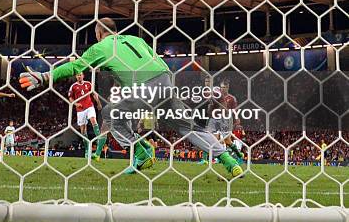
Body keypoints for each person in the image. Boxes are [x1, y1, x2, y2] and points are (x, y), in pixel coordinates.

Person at [19, 18, 243, 178]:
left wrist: (45, 76)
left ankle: (142, 151)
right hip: (165, 81)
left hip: (144, 86)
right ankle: (230, 162)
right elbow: (159, 61)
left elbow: (77, 66)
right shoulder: (135, 39)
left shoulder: (102, 46)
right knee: (189, 127)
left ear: (98, 33)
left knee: (110, 114)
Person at [68, 73, 103, 157]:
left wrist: (98, 103)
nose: (79, 76)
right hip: (80, 110)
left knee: (94, 121)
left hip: (89, 106)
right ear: (76, 77)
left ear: (83, 76)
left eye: (80, 75)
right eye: (77, 75)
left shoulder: (88, 84)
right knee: (83, 130)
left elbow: (94, 94)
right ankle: (87, 150)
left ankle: (99, 140)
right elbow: (70, 98)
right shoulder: (73, 86)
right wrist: (76, 104)